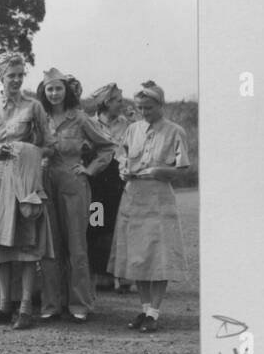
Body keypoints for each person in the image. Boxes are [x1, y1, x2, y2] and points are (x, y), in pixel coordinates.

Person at [0, 53, 55, 329]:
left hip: (24, 180)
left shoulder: (34, 107)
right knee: (0, 245)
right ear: (1, 77)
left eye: (20, 75)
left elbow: (49, 146)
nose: (17, 80)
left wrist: (24, 150)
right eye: (11, 75)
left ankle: (26, 308)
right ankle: (4, 306)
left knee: (26, 244)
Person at [109, 81, 191, 333]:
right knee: (137, 256)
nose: (144, 112)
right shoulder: (132, 129)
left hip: (159, 200)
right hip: (133, 198)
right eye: (140, 107)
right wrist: (123, 169)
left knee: (158, 255)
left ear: (160, 105)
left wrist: (159, 170)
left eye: (149, 107)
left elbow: (182, 168)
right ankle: (144, 309)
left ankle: (154, 311)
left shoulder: (175, 131)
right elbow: (122, 156)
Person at [37, 68, 116, 321]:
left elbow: (107, 147)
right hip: (45, 182)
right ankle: (51, 304)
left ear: (66, 91)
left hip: (73, 183)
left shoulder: (80, 119)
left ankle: (80, 304)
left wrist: (89, 170)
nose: (54, 93)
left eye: (59, 88)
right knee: (49, 246)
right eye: (50, 89)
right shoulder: (38, 117)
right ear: (44, 91)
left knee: (77, 245)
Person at [87, 83, 131, 292]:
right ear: (106, 102)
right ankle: (99, 275)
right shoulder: (89, 123)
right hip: (97, 181)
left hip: (120, 180)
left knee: (121, 226)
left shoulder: (127, 124)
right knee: (97, 224)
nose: (122, 104)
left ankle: (122, 276)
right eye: (118, 100)